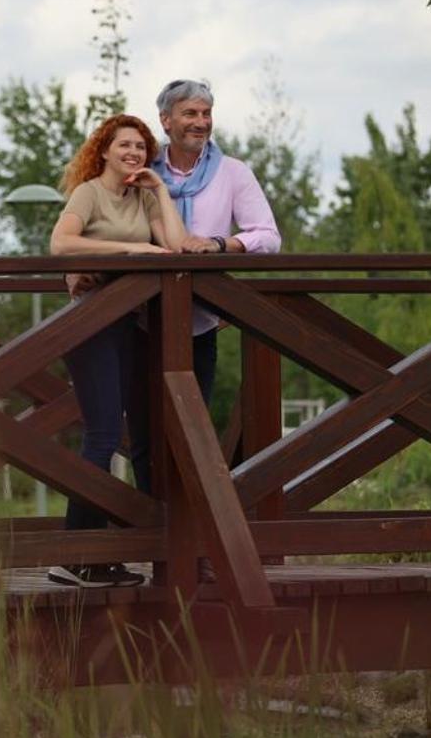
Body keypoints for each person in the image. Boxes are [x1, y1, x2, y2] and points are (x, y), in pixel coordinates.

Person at [44, 114, 188, 589]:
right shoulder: (88, 193)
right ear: (103, 150)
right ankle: (75, 555)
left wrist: (161, 189)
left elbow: (175, 246)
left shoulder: (144, 195)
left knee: (123, 434)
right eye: (124, 145)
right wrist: (127, 253)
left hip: (129, 324)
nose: (134, 153)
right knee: (103, 434)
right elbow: (60, 243)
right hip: (91, 323)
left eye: (142, 147)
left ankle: (95, 555)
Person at [148, 79, 282, 402]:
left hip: (202, 320)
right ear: (166, 120)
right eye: (190, 113)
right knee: (140, 430)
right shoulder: (142, 167)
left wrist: (219, 245)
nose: (201, 122)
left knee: (193, 423)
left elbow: (268, 237)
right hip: (139, 315)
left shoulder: (232, 172)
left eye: (207, 114)